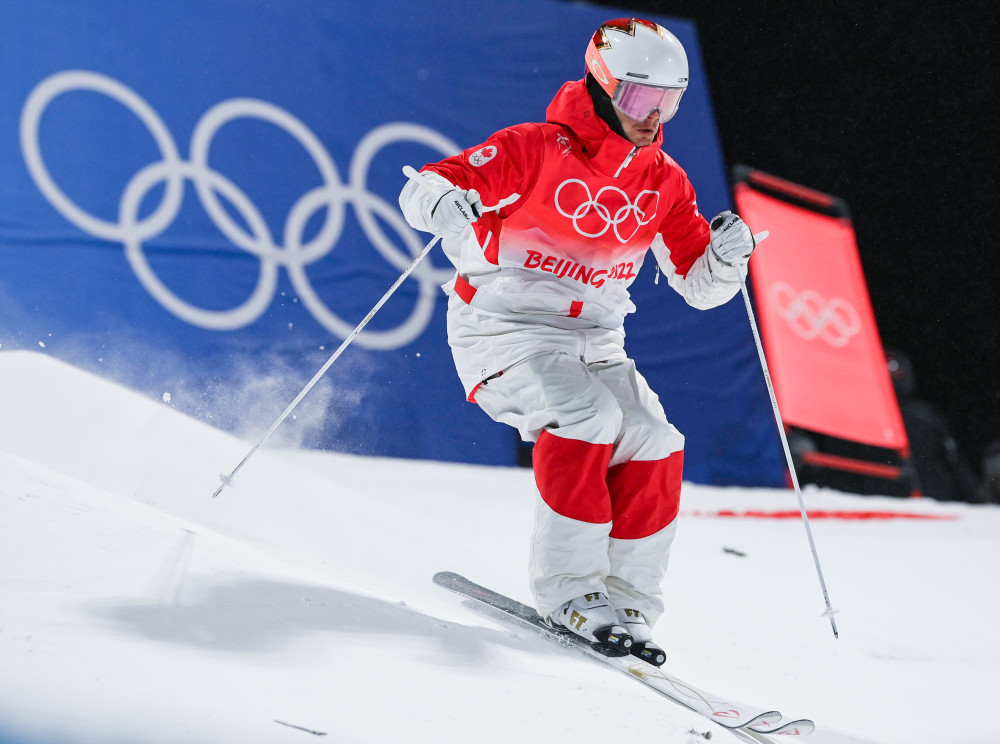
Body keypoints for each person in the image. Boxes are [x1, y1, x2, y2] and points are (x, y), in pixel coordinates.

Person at [399, 18, 761, 663]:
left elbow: (701, 287)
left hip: (594, 340)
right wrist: (438, 202)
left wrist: (728, 258)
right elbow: (433, 181)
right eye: (640, 100)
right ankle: (568, 590)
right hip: (504, 332)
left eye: (669, 102)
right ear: (602, 87)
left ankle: (626, 601)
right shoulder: (535, 147)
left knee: (655, 437)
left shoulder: (664, 180)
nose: (654, 117)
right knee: (586, 415)